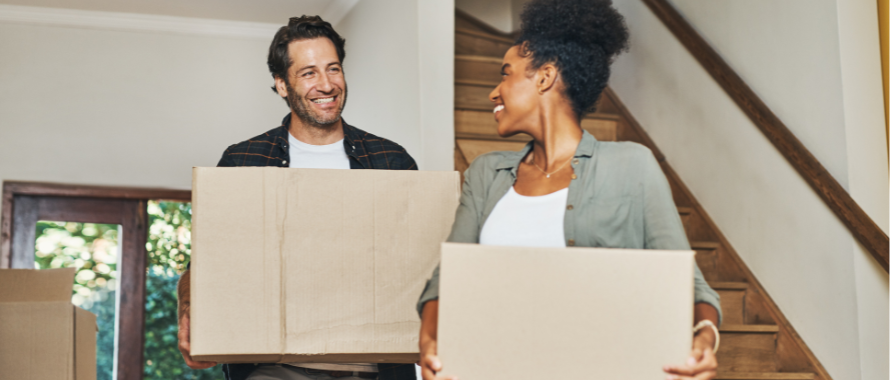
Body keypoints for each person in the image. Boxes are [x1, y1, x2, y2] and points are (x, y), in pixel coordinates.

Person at [415, 1, 722, 379]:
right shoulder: (486, 173)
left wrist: (703, 341)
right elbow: (447, 279)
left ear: (544, 77)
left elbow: (688, 283)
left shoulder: (631, 166)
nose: (494, 93)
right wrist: (430, 343)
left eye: (506, 74)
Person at [177, 15, 418, 380]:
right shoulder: (243, 161)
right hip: (271, 364)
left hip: (370, 364)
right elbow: (208, 260)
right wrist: (190, 309)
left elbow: (419, 261)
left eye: (333, 69)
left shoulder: (391, 160)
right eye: (308, 73)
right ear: (282, 85)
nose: (326, 84)